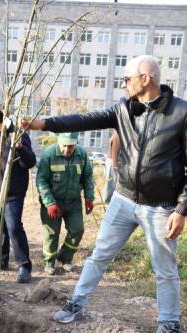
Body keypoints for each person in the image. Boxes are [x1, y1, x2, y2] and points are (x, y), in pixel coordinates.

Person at [22, 55, 185, 333]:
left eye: (127, 78)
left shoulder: (181, 113)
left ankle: (168, 322)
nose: (123, 84)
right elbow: (83, 120)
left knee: (165, 269)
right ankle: (77, 303)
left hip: (159, 207)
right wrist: (43, 123)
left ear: (146, 79)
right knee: (99, 255)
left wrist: (181, 210)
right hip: (123, 199)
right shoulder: (124, 109)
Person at [0, 104, 36, 282]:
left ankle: (24, 266)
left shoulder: (17, 135)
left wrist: (19, 147)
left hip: (12, 192)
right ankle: (1, 260)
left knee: (13, 227)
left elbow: (30, 161)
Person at [36, 132, 95, 275]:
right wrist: (49, 203)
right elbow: (41, 180)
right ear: (59, 142)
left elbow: (87, 177)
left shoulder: (81, 155)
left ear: (76, 143)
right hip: (53, 202)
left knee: (77, 230)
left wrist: (89, 198)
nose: (67, 150)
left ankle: (65, 257)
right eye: (65, 146)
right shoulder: (49, 155)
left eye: (71, 146)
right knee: (52, 233)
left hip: (73, 202)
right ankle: (49, 262)